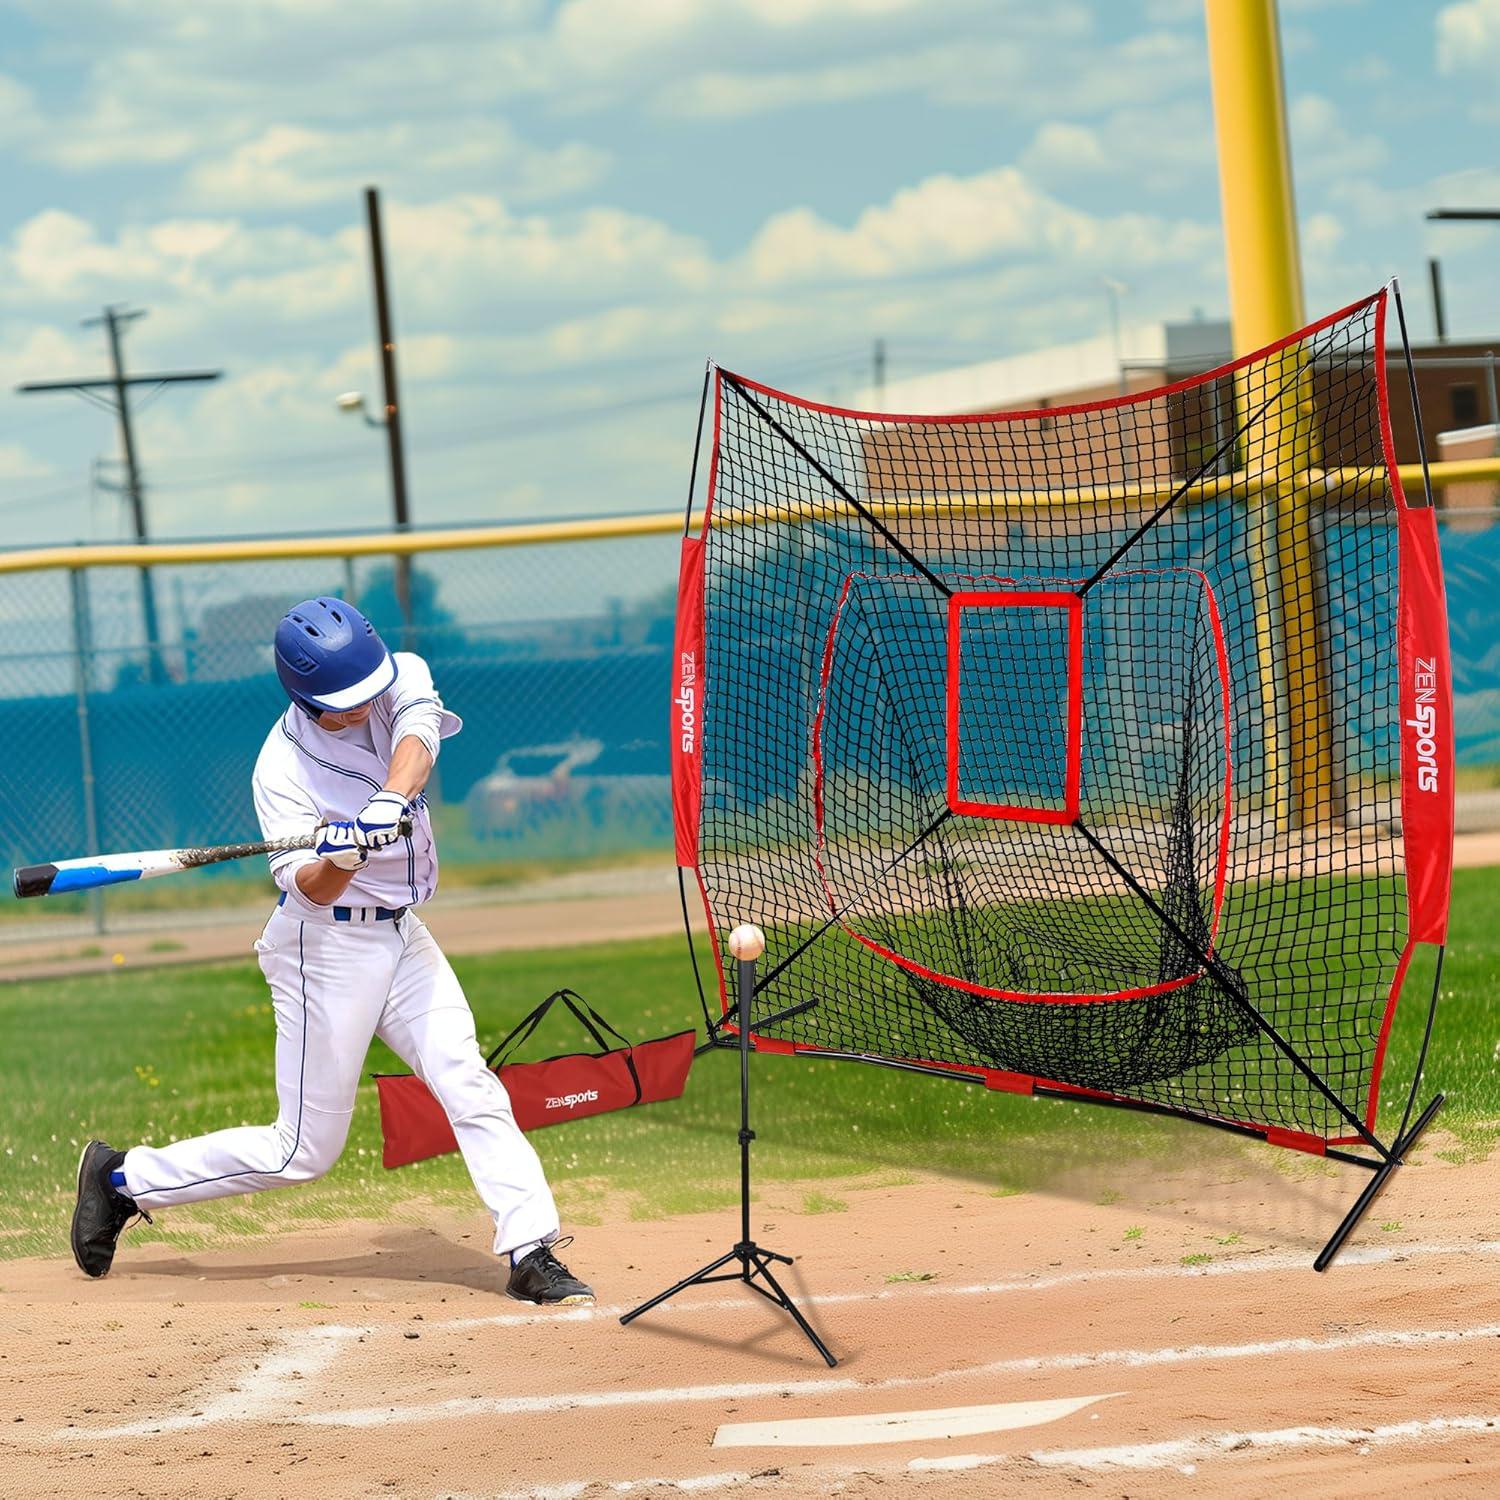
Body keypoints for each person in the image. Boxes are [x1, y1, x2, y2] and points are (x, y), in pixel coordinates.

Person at [69, 596, 592, 1305]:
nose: (364, 705)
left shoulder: (397, 674)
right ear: (304, 698)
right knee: (303, 1152)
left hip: (401, 933)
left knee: (467, 1080)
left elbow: (417, 738)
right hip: (326, 948)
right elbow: (309, 890)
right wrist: (341, 855)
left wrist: (383, 805)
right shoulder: (279, 769)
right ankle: (120, 1179)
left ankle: (531, 1250)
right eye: (344, 702)